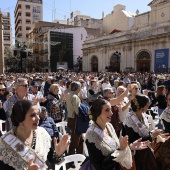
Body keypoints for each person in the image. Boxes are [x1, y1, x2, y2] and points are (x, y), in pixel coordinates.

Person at [0, 100, 69, 170]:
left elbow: (52, 160)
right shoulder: (4, 144)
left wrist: (58, 154)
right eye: (33, 115)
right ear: (20, 119)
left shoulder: (42, 133)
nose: (38, 118)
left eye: (38, 114)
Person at [85, 99, 150, 170]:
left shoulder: (109, 126)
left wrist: (130, 147)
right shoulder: (91, 135)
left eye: (111, 109)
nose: (111, 113)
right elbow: (99, 166)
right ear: (97, 112)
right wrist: (120, 149)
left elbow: (116, 149)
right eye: (107, 110)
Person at [123, 95, 168, 170]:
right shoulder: (129, 118)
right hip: (137, 154)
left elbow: (146, 133)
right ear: (142, 106)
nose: (149, 105)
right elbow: (133, 140)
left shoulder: (143, 115)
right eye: (147, 104)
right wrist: (151, 136)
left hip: (146, 149)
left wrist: (156, 134)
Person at [66, 81, 83, 156]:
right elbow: (78, 111)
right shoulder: (75, 97)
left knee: (80, 139)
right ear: (77, 88)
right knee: (75, 140)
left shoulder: (70, 95)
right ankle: (71, 158)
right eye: (80, 87)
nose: (80, 88)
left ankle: (79, 155)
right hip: (75, 120)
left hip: (71, 119)